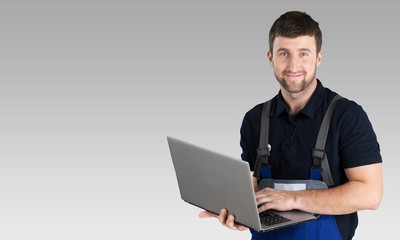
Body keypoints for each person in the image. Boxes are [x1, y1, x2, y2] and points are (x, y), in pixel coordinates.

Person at [199, 11, 383, 239]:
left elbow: (370, 194)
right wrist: (240, 215)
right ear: (270, 58)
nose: (293, 65)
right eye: (284, 53)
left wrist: (293, 199)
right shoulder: (254, 119)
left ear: (318, 58)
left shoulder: (347, 116)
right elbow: (253, 187)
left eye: (303, 53)